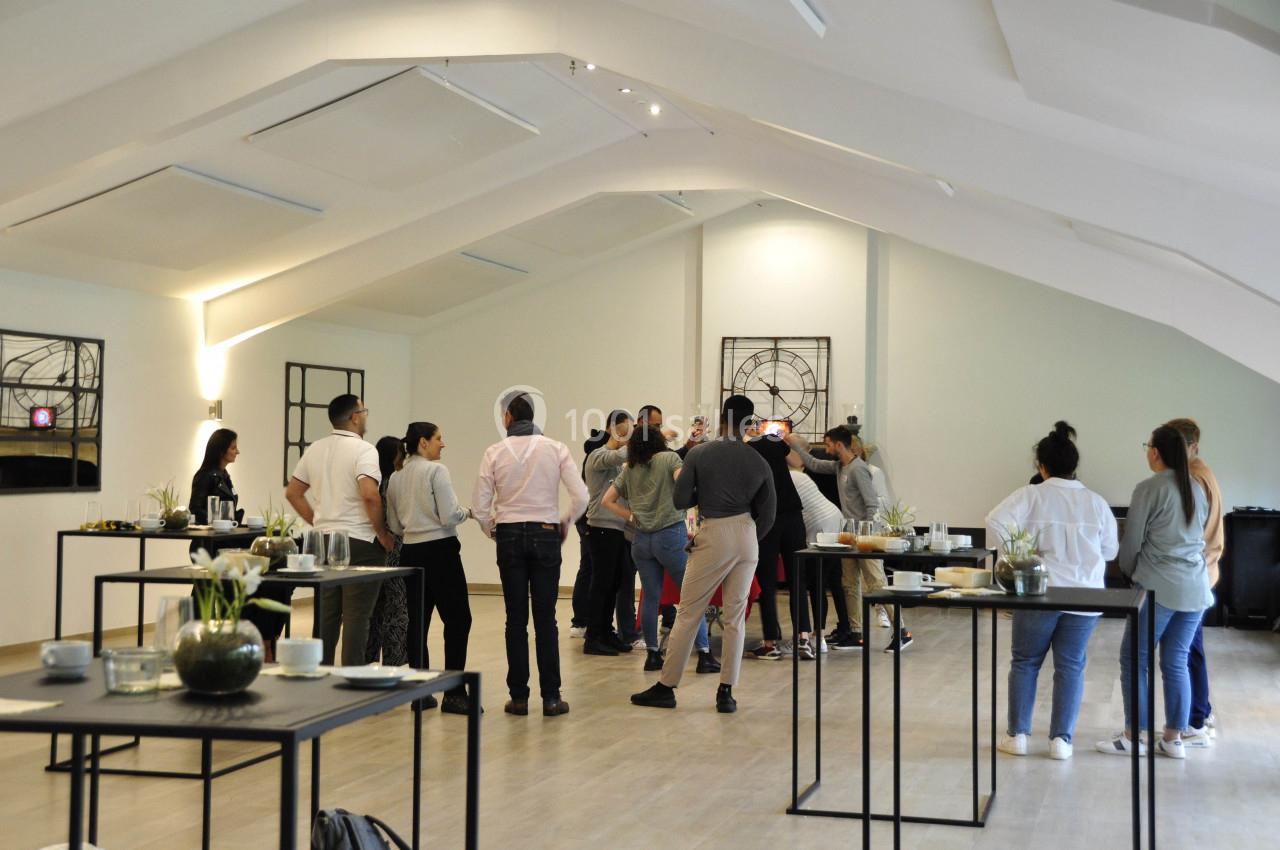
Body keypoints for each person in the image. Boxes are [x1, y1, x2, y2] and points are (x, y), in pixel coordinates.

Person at [631, 394, 776, 714]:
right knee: (735, 616)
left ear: (722, 419)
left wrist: (703, 490)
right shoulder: (759, 461)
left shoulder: (701, 453)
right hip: (748, 535)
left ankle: (666, 686)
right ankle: (726, 692)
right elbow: (769, 512)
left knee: (689, 612)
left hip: (715, 530)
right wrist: (750, 535)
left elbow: (681, 500)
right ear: (749, 423)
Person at [986, 421, 1118, 760]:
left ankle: (1017, 735)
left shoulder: (1032, 495)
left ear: (1041, 466)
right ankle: (1062, 741)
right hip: (1085, 595)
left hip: (1039, 591)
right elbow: (1110, 552)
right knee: (1071, 666)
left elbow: (995, 520)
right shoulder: (1096, 502)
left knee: (1026, 662)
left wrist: (1021, 554)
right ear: (1074, 466)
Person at [1096, 425, 1213, 759]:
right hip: (1196, 588)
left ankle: (1134, 735)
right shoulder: (1195, 487)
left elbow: (1131, 543)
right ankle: (1174, 738)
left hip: (1159, 586)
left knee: (1134, 658)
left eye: (1147, 445)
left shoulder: (1149, 488)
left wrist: (1131, 573)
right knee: (1176, 660)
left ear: (1156, 452)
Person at [473, 393, 588, 717]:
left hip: (509, 534)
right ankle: (551, 697)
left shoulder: (494, 452)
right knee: (546, 619)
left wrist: (492, 529)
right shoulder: (555, 448)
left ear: (508, 417)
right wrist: (565, 521)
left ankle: (519, 697)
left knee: (515, 619)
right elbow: (580, 495)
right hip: (545, 532)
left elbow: (481, 505)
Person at [285, 394, 396, 666]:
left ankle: (319, 677)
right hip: (360, 541)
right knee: (357, 616)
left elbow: (294, 493)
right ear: (355, 417)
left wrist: (318, 521)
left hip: (323, 542)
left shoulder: (315, 449)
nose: (366, 416)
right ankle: (351, 682)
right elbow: (370, 495)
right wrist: (381, 533)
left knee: (326, 616)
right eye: (364, 411)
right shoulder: (365, 451)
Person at [602, 421, 719, 673]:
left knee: (651, 597)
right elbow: (684, 484)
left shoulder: (630, 467)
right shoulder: (669, 459)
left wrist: (630, 515)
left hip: (641, 540)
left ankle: (653, 654)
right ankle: (705, 654)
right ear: (659, 440)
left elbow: (606, 500)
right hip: (670, 536)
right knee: (690, 597)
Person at [788, 427, 911, 653]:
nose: (826, 449)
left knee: (876, 583)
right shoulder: (839, 467)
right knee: (849, 583)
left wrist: (867, 535)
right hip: (849, 535)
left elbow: (872, 504)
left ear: (839, 445)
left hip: (866, 536)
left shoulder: (858, 470)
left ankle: (902, 632)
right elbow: (813, 463)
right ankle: (856, 633)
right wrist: (792, 443)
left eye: (827, 445)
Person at [387, 421, 475, 714]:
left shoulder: (397, 477)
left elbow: (395, 525)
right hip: (441, 552)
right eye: (439, 438)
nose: (443, 443)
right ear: (423, 443)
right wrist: (470, 512)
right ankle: (454, 692)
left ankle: (420, 692)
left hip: (411, 552)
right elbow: (450, 515)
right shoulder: (437, 471)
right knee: (458, 620)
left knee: (418, 623)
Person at [190, 429, 290, 660]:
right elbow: (196, 510)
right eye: (234, 447)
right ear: (221, 449)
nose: (238, 451)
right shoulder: (205, 475)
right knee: (210, 592)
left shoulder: (224, 475)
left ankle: (256, 637)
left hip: (228, 541)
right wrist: (221, 520)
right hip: (212, 545)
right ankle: (216, 641)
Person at [1166, 417, 1223, 747]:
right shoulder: (1201, 473)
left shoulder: (1194, 479)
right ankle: (1201, 713)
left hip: (1193, 575)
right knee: (1189, 647)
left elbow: (1187, 534)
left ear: (1192, 447)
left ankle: (1196, 720)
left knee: (1186, 650)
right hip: (1201, 572)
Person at [746, 420, 810, 660]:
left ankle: (771, 642)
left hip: (766, 516)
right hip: (792, 514)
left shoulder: (743, 451)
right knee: (797, 579)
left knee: (767, 581)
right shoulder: (772, 442)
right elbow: (797, 462)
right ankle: (803, 639)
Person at [582, 410, 636, 656]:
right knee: (601, 584)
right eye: (626, 431)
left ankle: (606, 631)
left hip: (617, 530)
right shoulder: (598, 456)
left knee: (615, 582)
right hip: (601, 529)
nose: (629, 437)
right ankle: (593, 636)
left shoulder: (618, 462)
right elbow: (618, 455)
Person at [787, 450, 844, 652]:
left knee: (815, 583)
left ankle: (817, 637)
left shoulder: (786, 478)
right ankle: (820, 636)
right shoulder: (801, 476)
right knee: (826, 581)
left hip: (820, 530)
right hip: (835, 520)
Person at [365, 436, 409, 670]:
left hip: (374, 551)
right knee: (397, 609)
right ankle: (393, 662)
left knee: (374, 611)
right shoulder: (394, 483)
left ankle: (366, 662)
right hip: (394, 551)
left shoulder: (374, 481)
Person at [569, 431, 608, 639]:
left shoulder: (590, 457)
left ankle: (581, 621)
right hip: (589, 521)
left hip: (586, 519)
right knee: (589, 569)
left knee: (587, 568)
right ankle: (583, 621)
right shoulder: (597, 459)